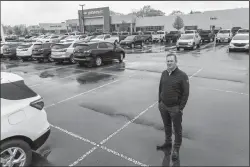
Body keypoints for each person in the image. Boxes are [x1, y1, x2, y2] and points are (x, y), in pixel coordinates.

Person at [157, 53, 189, 161]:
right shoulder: (164, 73)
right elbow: (160, 88)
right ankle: (168, 143)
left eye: (171, 61)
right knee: (167, 126)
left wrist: (180, 108)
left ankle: (176, 149)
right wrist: (160, 102)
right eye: (168, 61)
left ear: (176, 62)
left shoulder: (182, 75)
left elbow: (186, 93)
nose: (169, 63)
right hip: (163, 106)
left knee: (177, 129)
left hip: (175, 108)